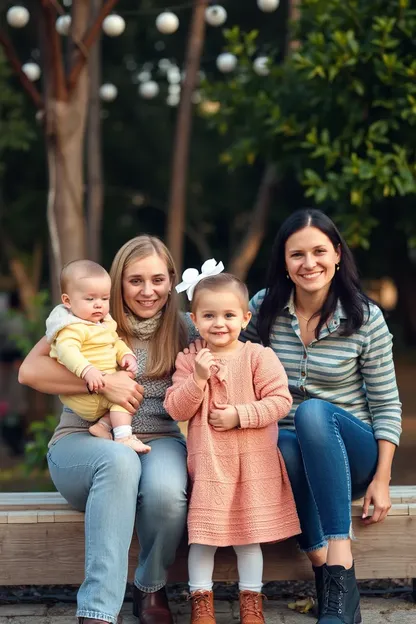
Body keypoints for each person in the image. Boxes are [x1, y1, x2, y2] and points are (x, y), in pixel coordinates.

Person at [18, 235, 199, 624]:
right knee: (119, 461)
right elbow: (28, 371)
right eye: (135, 280)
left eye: (157, 280)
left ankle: (150, 588)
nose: (147, 291)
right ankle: (98, 612)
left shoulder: (186, 327)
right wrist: (101, 382)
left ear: (171, 281)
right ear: (118, 282)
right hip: (82, 441)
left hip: (160, 439)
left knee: (167, 493)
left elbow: (236, 337)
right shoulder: (86, 319)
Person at [242, 209, 402, 624]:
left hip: (352, 450)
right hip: (288, 454)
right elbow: (231, 355)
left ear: (336, 255)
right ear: (284, 262)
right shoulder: (264, 307)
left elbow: (386, 405)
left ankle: (340, 562)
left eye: (318, 251)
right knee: (281, 438)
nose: (308, 263)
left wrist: (382, 479)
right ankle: (331, 581)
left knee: (312, 413)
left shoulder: (365, 318)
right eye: (297, 254)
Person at [164, 272, 300, 624]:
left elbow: (280, 401)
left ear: (245, 317)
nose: (219, 323)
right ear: (194, 320)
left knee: (249, 538)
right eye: (208, 316)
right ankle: (201, 601)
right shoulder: (189, 360)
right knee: (203, 537)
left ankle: (251, 601)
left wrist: (240, 415)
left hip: (253, 465)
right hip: (210, 466)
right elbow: (176, 409)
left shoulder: (258, 356)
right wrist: (197, 378)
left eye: (228, 315)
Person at [45, 259, 150, 453]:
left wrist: (125, 355)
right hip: (88, 393)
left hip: (103, 390)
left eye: (104, 299)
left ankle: (102, 426)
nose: (98, 305)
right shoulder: (71, 327)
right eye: (90, 299)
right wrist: (87, 371)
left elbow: (115, 341)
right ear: (67, 301)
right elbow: (67, 351)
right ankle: (123, 437)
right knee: (124, 398)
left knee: (129, 390)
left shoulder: (103, 323)